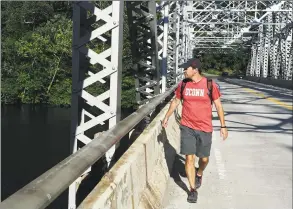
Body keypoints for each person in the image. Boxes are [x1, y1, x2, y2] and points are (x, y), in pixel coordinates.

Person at [162, 58, 228, 203]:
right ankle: (192, 190)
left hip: (205, 127)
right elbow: (176, 101)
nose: (184, 71)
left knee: (204, 159)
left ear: (195, 69)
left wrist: (223, 126)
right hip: (187, 127)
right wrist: (166, 116)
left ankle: (199, 173)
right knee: (189, 158)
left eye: (186, 68)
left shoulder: (210, 85)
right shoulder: (183, 84)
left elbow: (218, 106)